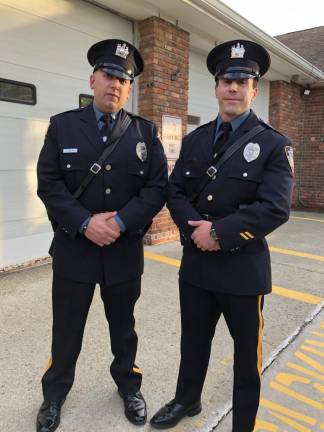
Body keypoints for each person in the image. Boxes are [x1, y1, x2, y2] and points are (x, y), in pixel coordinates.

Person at [150, 40, 294, 431]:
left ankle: (242, 424)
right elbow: (174, 190)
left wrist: (218, 232)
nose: (233, 87)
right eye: (226, 80)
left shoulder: (273, 144)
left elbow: (275, 207)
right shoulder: (195, 140)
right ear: (215, 87)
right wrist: (196, 231)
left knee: (247, 355)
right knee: (193, 342)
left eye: (242, 80)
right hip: (197, 266)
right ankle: (187, 400)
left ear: (254, 89)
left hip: (242, 271)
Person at [36, 38, 167, 432]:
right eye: (108, 75)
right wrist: (84, 222)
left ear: (130, 88)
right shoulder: (62, 126)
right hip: (75, 249)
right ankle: (54, 394)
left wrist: (121, 222)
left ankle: (129, 386)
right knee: (67, 328)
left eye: (123, 80)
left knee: (123, 327)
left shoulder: (144, 132)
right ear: (93, 79)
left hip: (123, 252)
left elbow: (158, 187)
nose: (115, 84)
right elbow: (49, 183)